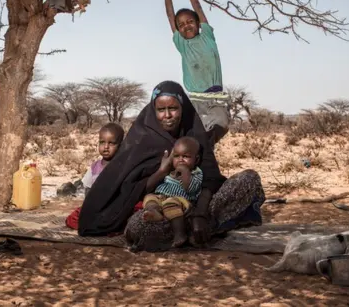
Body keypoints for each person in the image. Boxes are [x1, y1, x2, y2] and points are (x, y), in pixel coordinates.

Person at [77, 80, 265, 252]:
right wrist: (162, 171)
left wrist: (200, 213)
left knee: (249, 179)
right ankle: (197, 231)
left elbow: (211, 178)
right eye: (161, 110)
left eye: (173, 108)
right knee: (137, 228)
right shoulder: (142, 137)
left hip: (200, 205)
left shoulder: (194, 132)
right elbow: (134, 189)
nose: (167, 115)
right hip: (162, 208)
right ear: (153, 109)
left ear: (182, 107)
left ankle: (196, 227)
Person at [164, 0, 231, 148]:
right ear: (177, 29)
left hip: (215, 98)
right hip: (194, 99)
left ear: (198, 23)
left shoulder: (207, 37)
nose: (186, 26)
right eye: (181, 25)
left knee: (221, 124)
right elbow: (170, 15)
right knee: (191, 138)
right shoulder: (182, 45)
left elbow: (198, 8)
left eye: (190, 22)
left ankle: (204, 150)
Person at [143, 136, 203, 248]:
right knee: (149, 197)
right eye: (176, 156)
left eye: (186, 156)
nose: (180, 159)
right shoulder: (170, 171)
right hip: (162, 197)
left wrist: (185, 172)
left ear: (197, 159)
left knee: (171, 203)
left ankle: (180, 234)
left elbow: (191, 189)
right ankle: (154, 212)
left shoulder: (196, 173)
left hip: (181, 200)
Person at [81, 122, 124, 197]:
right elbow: (87, 189)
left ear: (120, 146)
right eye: (102, 142)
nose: (106, 147)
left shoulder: (123, 167)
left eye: (111, 143)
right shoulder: (94, 167)